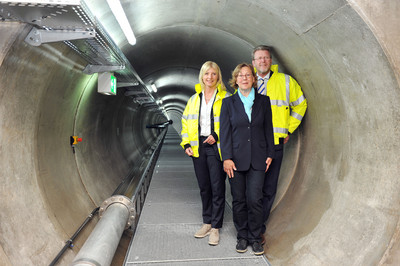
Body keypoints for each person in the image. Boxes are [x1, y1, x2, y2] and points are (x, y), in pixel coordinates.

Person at [252, 45, 307, 239]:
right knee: (251, 187)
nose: (263, 61)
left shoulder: (285, 82)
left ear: (271, 61)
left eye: (266, 58)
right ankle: (249, 223)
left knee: (269, 187)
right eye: (259, 58)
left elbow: (301, 104)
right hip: (251, 143)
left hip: (275, 142)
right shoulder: (246, 80)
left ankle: (258, 227)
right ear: (253, 62)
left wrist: (288, 128)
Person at [220, 63, 275, 255]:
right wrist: (226, 157)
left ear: (253, 79)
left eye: (248, 75)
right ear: (235, 80)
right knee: (239, 200)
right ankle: (242, 236)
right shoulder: (228, 103)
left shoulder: (264, 101)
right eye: (240, 75)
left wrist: (270, 154)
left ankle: (255, 237)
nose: (244, 78)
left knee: (255, 199)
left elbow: (269, 129)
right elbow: (224, 133)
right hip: (235, 160)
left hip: (259, 158)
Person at [180, 61, 231, 246]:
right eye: (206, 74)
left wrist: (217, 135)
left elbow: (232, 123)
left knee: (217, 187)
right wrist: (186, 143)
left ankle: (216, 227)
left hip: (217, 148)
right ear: (202, 76)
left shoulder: (226, 98)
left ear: (218, 77)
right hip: (198, 148)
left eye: (213, 74)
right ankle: (207, 222)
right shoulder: (194, 99)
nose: (210, 77)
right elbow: (185, 122)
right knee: (204, 187)